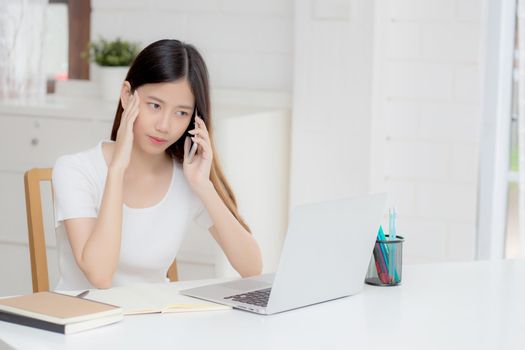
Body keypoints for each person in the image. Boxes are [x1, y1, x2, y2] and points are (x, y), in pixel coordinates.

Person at [52, 39, 262, 290]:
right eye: (155, 105)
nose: (164, 125)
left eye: (181, 113)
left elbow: (252, 267)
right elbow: (100, 276)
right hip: (84, 322)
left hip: (152, 321)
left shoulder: (186, 177)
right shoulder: (75, 170)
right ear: (127, 95)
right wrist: (117, 169)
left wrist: (203, 185)